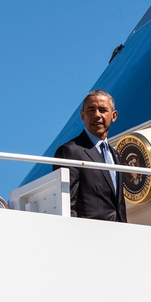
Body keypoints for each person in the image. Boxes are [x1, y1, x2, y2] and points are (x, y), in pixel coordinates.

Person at [53, 90, 127, 222]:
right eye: (91, 110)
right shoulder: (70, 151)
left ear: (114, 115)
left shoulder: (115, 155)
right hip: (87, 234)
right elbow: (67, 204)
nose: (96, 115)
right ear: (82, 115)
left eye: (102, 110)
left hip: (117, 235)